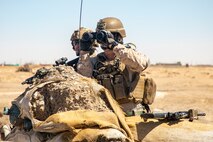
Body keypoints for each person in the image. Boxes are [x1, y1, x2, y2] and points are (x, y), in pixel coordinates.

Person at [77, 17, 155, 115]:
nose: (104, 42)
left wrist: (114, 45)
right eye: (101, 38)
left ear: (119, 37)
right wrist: (84, 51)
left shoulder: (130, 57)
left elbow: (141, 63)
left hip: (132, 115)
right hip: (108, 116)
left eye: (107, 36)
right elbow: (83, 78)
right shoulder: (94, 61)